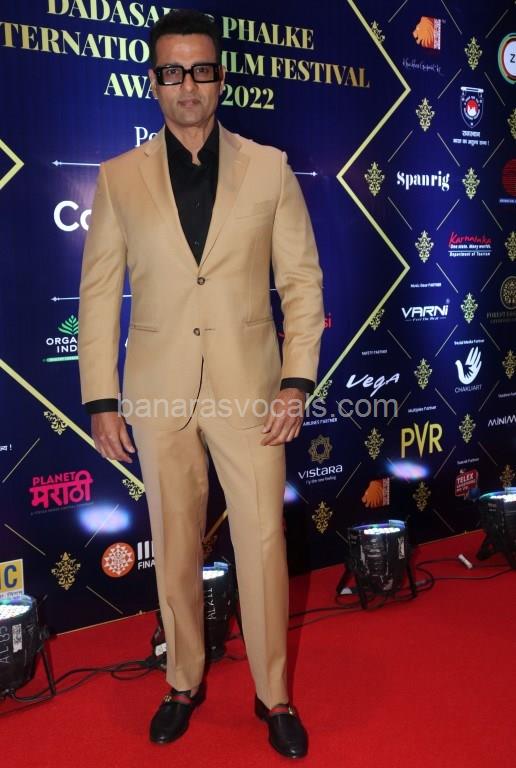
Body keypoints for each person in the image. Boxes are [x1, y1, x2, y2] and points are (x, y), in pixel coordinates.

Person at [78, 9, 324, 759]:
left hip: (252, 392)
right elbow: (99, 294)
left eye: (202, 70)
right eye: (173, 71)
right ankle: (182, 680)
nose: (188, 85)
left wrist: (296, 382)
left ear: (221, 78)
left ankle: (274, 693)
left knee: (263, 542)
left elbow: (302, 283)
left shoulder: (270, 167)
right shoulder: (118, 177)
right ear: (154, 83)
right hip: (158, 394)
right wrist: (101, 399)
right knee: (174, 544)